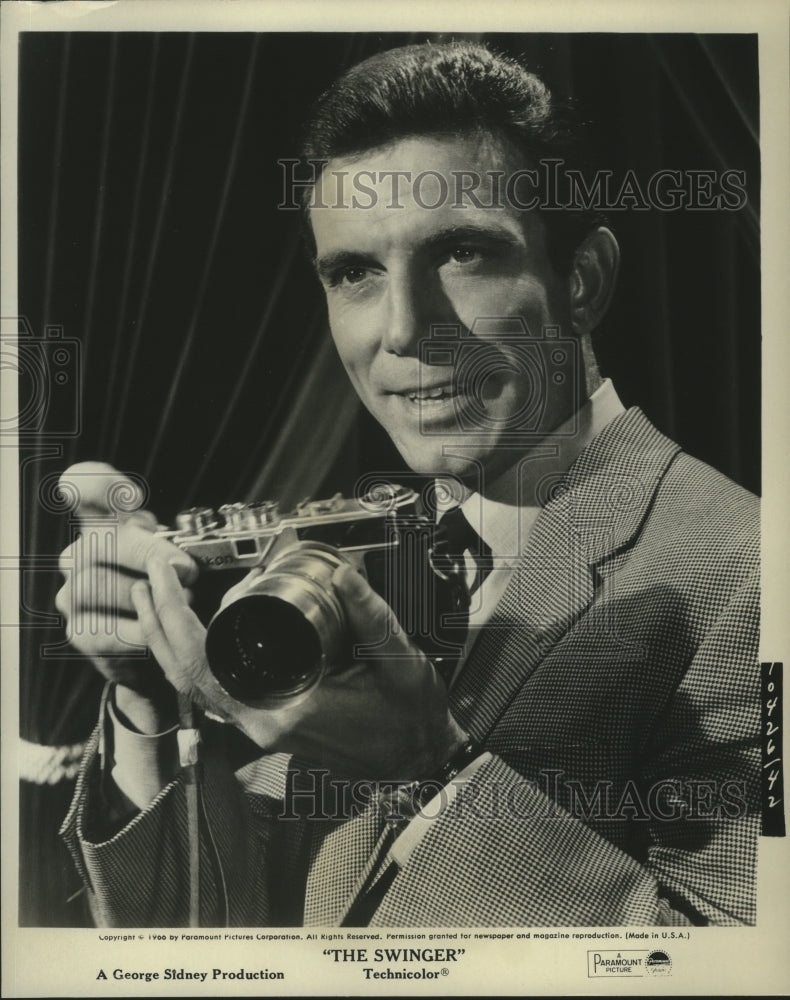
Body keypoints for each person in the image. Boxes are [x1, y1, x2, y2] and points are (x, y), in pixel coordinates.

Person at [57, 42, 760, 927]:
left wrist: (432, 770)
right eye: (354, 272)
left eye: (462, 253)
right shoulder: (348, 553)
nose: (403, 330)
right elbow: (214, 939)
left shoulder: (753, 577)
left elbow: (736, 965)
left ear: (583, 282)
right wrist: (146, 699)